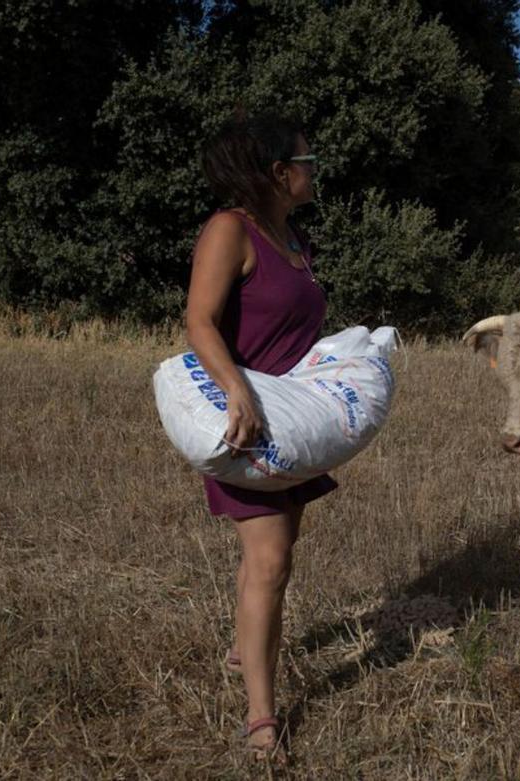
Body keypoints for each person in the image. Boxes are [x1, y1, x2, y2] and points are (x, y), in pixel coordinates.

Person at [184, 113, 332, 761]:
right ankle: (261, 716)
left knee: (278, 548)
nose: (314, 167)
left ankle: (244, 644)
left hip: (292, 423)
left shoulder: (293, 237)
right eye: (308, 158)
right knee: (270, 561)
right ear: (278, 172)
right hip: (245, 422)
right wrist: (236, 389)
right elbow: (199, 320)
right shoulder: (228, 230)